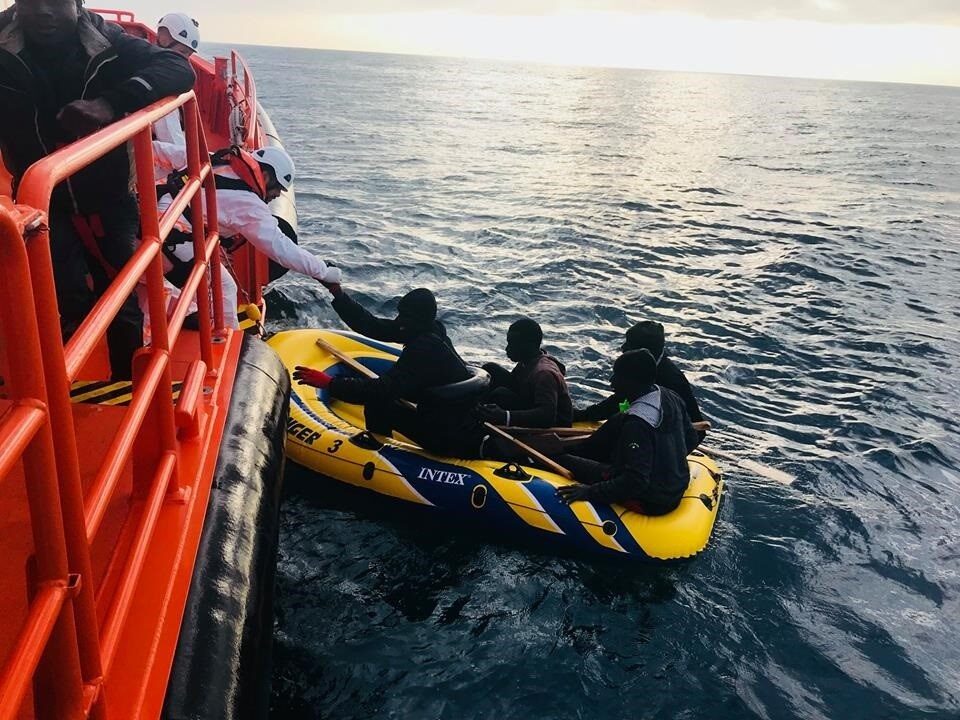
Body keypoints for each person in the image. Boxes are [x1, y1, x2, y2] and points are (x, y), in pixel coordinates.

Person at [0, 0, 195, 379]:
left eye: (56, 2)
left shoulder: (106, 40)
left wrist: (110, 104)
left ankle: (126, 382)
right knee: (60, 291)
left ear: (77, 4)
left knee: (120, 292)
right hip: (40, 199)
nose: (44, 12)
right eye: (32, 2)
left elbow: (177, 68)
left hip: (108, 196)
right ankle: (65, 378)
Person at [293, 286, 508, 459]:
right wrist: (337, 293)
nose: (398, 321)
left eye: (403, 316)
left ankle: (376, 454)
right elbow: (373, 326)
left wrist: (329, 383)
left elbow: (380, 389)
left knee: (379, 401)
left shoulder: (424, 349)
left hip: (446, 436)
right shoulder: (430, 330)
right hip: (452, 419)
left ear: (415, 319)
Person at [155, 144, 341, 328]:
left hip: (150, 217)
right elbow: (281, 248)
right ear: (266, 176)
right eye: (278, 188)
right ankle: (224, 336)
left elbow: (161, 150)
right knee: (224, 288)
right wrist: (324, 271)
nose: (277, 194)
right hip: (168, 237)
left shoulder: (215, 160)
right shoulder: (248, 204)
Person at [556, 349, 699, 514]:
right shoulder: (671, 396)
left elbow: (636, 481)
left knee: (560, 458)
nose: (611, 382)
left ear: (631, 381)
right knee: (617, 422)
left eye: (617, 376)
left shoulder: (637, 423)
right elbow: (692, 438)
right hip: (674, 487)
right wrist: (664, 462)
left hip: (650, 499)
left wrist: (589, 492)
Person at [574, 320, 705, 436]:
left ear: (646, 352)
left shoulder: (672, 381)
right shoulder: (640, 370)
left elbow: (698, 428)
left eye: (629, 345)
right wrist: (584, 415)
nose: (623, 348)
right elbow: (621, 401)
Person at [477, 317, 572, 429]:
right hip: (530, 401)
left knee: (499, 395)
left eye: (512, 344)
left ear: (528, 345)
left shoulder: (544, 373)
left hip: (554, 422)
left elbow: (547, 416)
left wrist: (504, 416)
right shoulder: (526, 362)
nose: (507, 349)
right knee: (490, 370)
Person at [152, 12, 199, 180]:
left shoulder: (149, 69)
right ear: (163, 39)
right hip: (148, 165)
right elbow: (173, 144)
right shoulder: (162, 90)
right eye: (182, 52)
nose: (184, 61)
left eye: (188, 55)